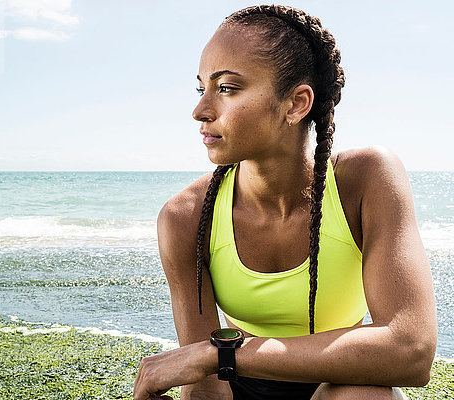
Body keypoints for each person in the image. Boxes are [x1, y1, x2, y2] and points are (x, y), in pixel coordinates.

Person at [133, 5, 437, 400]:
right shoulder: (185, 217)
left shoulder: (365, 179)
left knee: (363, 394)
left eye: (226, 88)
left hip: (340, 379)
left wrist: (221, 353)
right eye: (201, 88)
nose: (200, 111)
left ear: (295, 104)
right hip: (234, 383)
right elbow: (205, 384)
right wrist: (216, 361)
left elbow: (411, 350)